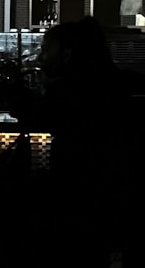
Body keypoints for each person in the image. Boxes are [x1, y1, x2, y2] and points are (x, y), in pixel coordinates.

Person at [30, 16, 138, 267]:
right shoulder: (116, 84)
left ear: (67, 54)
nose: (40, 58)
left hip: (75, 188)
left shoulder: (67, 91)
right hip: (114, 190)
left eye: (46, 50)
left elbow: (40, 118)